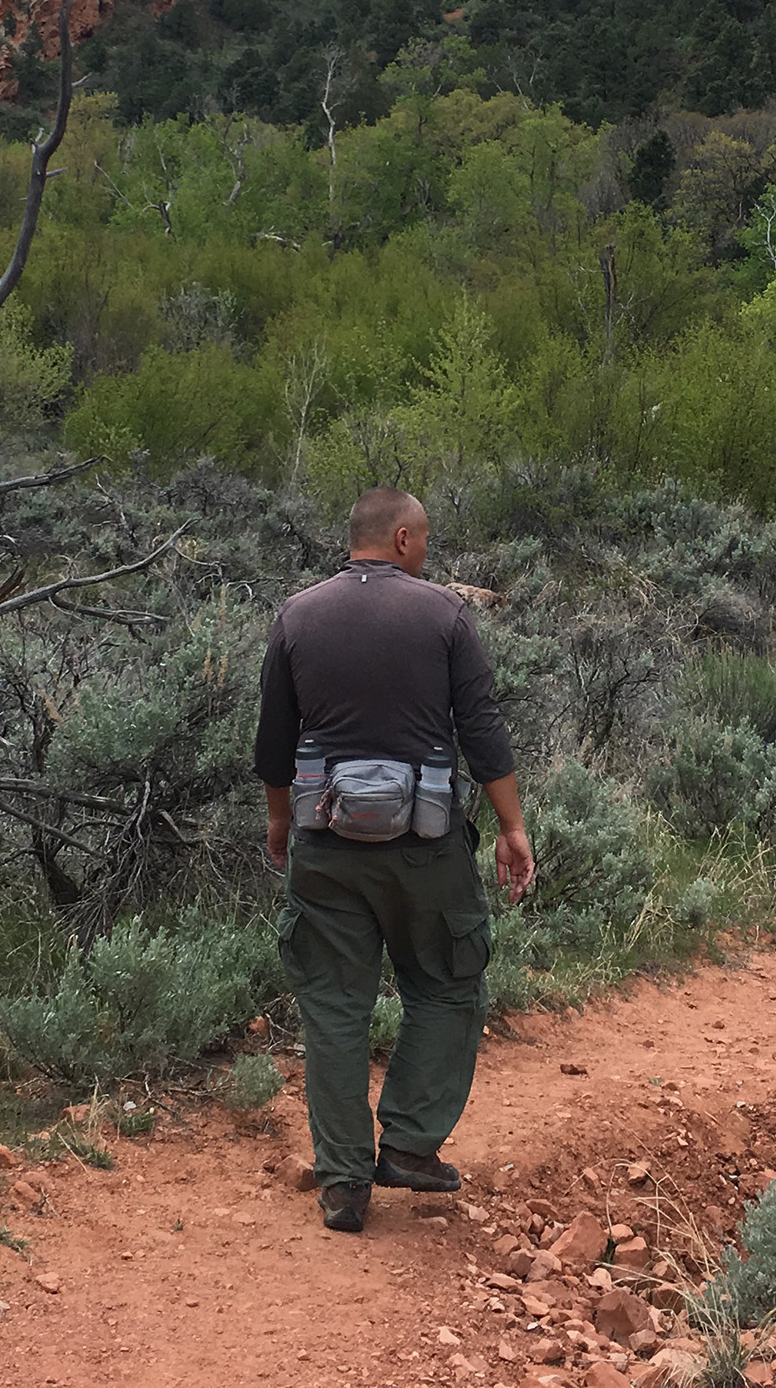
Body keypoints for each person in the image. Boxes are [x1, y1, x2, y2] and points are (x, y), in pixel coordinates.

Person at [256, 486, 536, 1233]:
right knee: (448, 983)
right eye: (425, 539)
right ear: (404, 538)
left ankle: (345, 1184)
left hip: (325, 844)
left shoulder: (298, 615)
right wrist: (511, 827)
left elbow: (273, 745)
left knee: (335, 1011)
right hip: (427, 847)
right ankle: (410, 1144)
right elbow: (482, 729)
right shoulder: (443, 613)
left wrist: (282, 822)